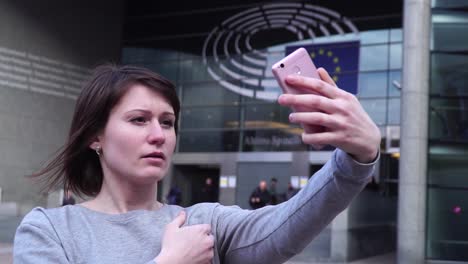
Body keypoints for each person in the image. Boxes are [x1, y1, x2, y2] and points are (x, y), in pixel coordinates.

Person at [13, 64, 381, 264]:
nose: (158, 134)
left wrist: (355, 157)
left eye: (167, 122)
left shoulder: (204, 224)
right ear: (96, 136)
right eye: (139, 119)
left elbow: (288, 224)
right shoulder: (51, 230)